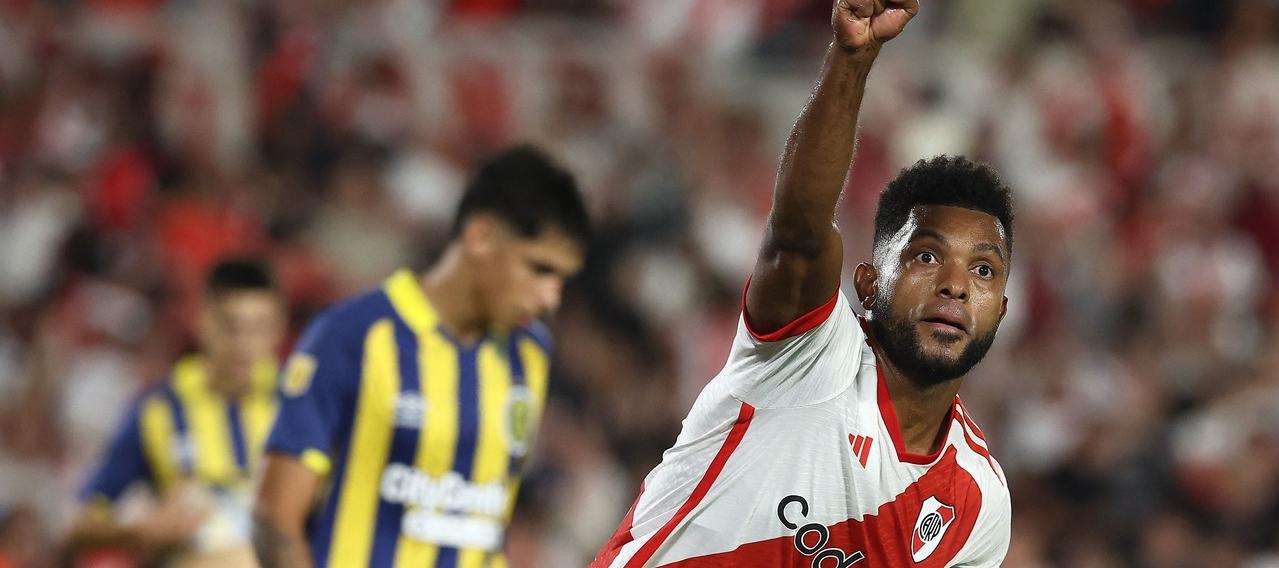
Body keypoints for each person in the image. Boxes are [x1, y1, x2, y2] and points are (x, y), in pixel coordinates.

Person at [593, 0, 1014, 566]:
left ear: (1002, 309)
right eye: (926, 256)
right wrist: (852, 58)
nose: (956, 285)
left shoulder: (979, 507)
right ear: (868, 284)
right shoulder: (810, 352)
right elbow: (797, 233)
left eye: (983, 269)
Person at [253, 145, 591, 568]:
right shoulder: (353, 336)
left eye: (561, 279)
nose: (549, 298)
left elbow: (485, 517)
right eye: (539, 269)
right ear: (481, 236)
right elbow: (275, 519)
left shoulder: (530, 353)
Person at [68, 258, 287, 568]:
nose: (244, 345)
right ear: (203, 321)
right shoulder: (159, 409)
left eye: (259, 329)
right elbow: (78, 525)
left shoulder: (297, 403)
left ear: (278, 329)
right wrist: (144, 531)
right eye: (231, 327)